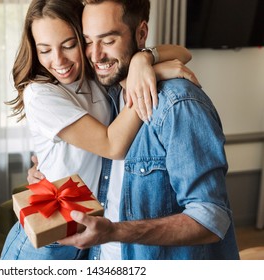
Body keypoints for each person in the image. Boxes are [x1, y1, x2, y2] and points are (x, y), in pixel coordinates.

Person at [1, 0, 199, 260]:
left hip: (88, 233)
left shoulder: (96, 76)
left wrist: (143, 60)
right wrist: (155, 73)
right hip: (48, 240)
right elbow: (112, 145)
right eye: (45, 50)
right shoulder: (40, 93)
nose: (58, 60)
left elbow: (183, 52)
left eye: (69, 45)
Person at [54, 0, 240, 260]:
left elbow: (211, 218)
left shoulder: (178, 103)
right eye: (87, 41)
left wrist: (116, 232)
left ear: (141, 33)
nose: (95, 55)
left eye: (108, 41)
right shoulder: (107, 94)